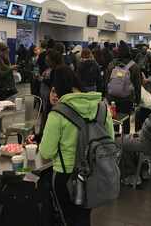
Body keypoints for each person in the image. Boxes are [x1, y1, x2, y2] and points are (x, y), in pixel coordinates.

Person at [39, 66, 114, 226]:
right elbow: (110, 140)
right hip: (94, 173)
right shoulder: (101, 107)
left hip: (66, 176)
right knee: (84, 216)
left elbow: (46, 151)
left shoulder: (57, 113)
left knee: (69, 219)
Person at [105, 41, 142, 134]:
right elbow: (137, 85)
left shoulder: (112, 64)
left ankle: (115, 140)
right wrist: (137, 100)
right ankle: (125, 141)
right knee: (126, 121)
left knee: (114, 120)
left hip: (112, 97)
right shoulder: (134, 66)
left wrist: (107, 95)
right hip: (127, 99)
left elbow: (106, 80)